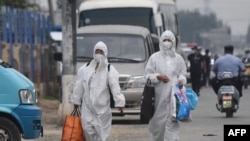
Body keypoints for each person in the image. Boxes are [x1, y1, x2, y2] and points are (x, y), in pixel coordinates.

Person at [70, 41, 125, 141]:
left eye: (101, 52)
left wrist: (119, 102)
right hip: (87, 108)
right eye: (97, 51)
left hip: (102, 110)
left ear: (105, 53)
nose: (98, 54)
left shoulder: (109, 69)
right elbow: (79, 86)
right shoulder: (85, 69)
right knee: (87, 131)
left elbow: (115, 87)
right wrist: (76, 100)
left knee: (102, 135)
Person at [144, 30, 187, 141]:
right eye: (165, 40)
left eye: (169, 40)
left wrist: (181, 81)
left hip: (174, 96)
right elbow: (147, 76)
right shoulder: (154, 58)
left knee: (172, 125)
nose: (167, 42)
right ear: (161, 41)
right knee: (158, 126)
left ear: (173, 42)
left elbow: (183, 74)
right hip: (158, 98)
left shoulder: (178, 59)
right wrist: (158, 77)